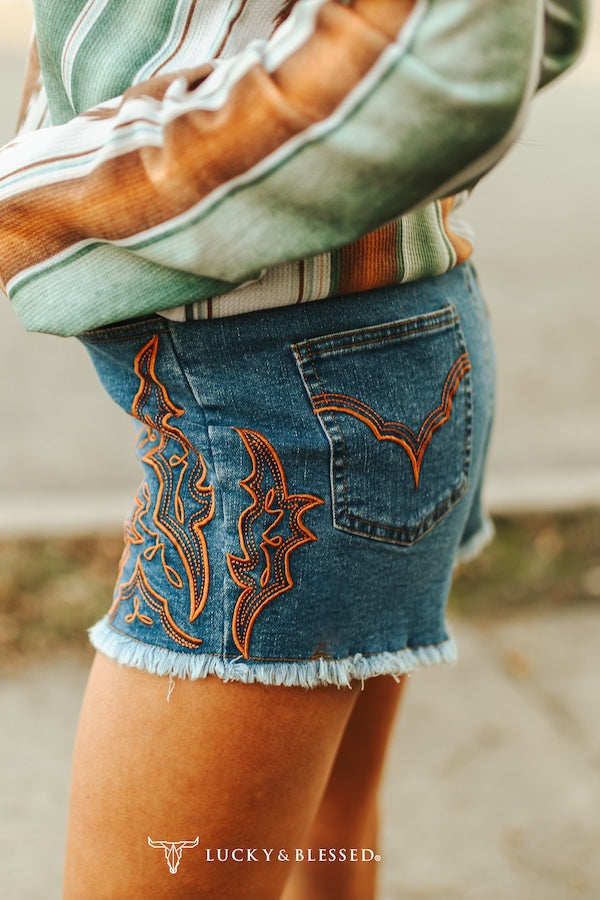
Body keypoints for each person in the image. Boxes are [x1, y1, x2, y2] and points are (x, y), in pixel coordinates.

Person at [0, 1, 587, 897]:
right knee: (327, 844)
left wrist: (39, 201)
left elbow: (449, 55)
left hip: (285, 421)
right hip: (366, 367)